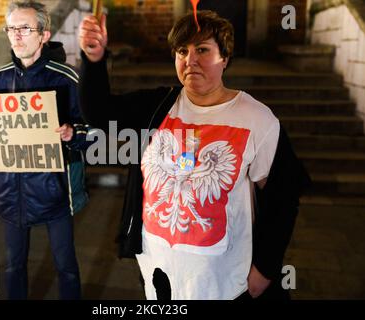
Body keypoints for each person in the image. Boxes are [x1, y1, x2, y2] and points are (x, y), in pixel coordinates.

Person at [78, 10, 310, 300]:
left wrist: (263, 271)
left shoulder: (257, 119)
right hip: (160, 274)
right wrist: (94, 59)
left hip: (225, 283)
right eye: (182, 51)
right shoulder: (158, 105)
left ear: (224, 58)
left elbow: (284, 198)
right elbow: (99, 112)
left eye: (202, 50)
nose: (190, 60)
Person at [0, 1, 89, 300]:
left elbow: (95, 132)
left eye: (25, 28)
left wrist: (72, 133)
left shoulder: (68, 79)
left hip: (55, 190)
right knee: (13, 266)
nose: (16, 35)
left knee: (67, 267)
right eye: (12, 28)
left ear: (44, 35)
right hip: (10, 192)